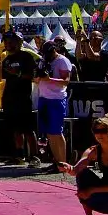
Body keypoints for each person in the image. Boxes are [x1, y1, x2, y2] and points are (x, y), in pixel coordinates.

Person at [0, 31, 41, 167]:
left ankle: (35, 157)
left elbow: (32, 76)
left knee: (28, 129)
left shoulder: (26, 57)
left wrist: (19, 73)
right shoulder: (6, 60)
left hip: (23, 98)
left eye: (11, 42)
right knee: (15, 129)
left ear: (19, 42)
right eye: (6, 42)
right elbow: (4, 78)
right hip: (10, 98)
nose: (8, 44)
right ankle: (19, 156)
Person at [39, 42, 72, 173]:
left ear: (54, 51)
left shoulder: (62, 61)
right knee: (49, 133)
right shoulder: (43, 60)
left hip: (56, 99)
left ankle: (62, 162)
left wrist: (50, 79)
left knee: (57, 132)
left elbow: (66, 81)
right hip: (43, 97)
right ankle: (56, 161)